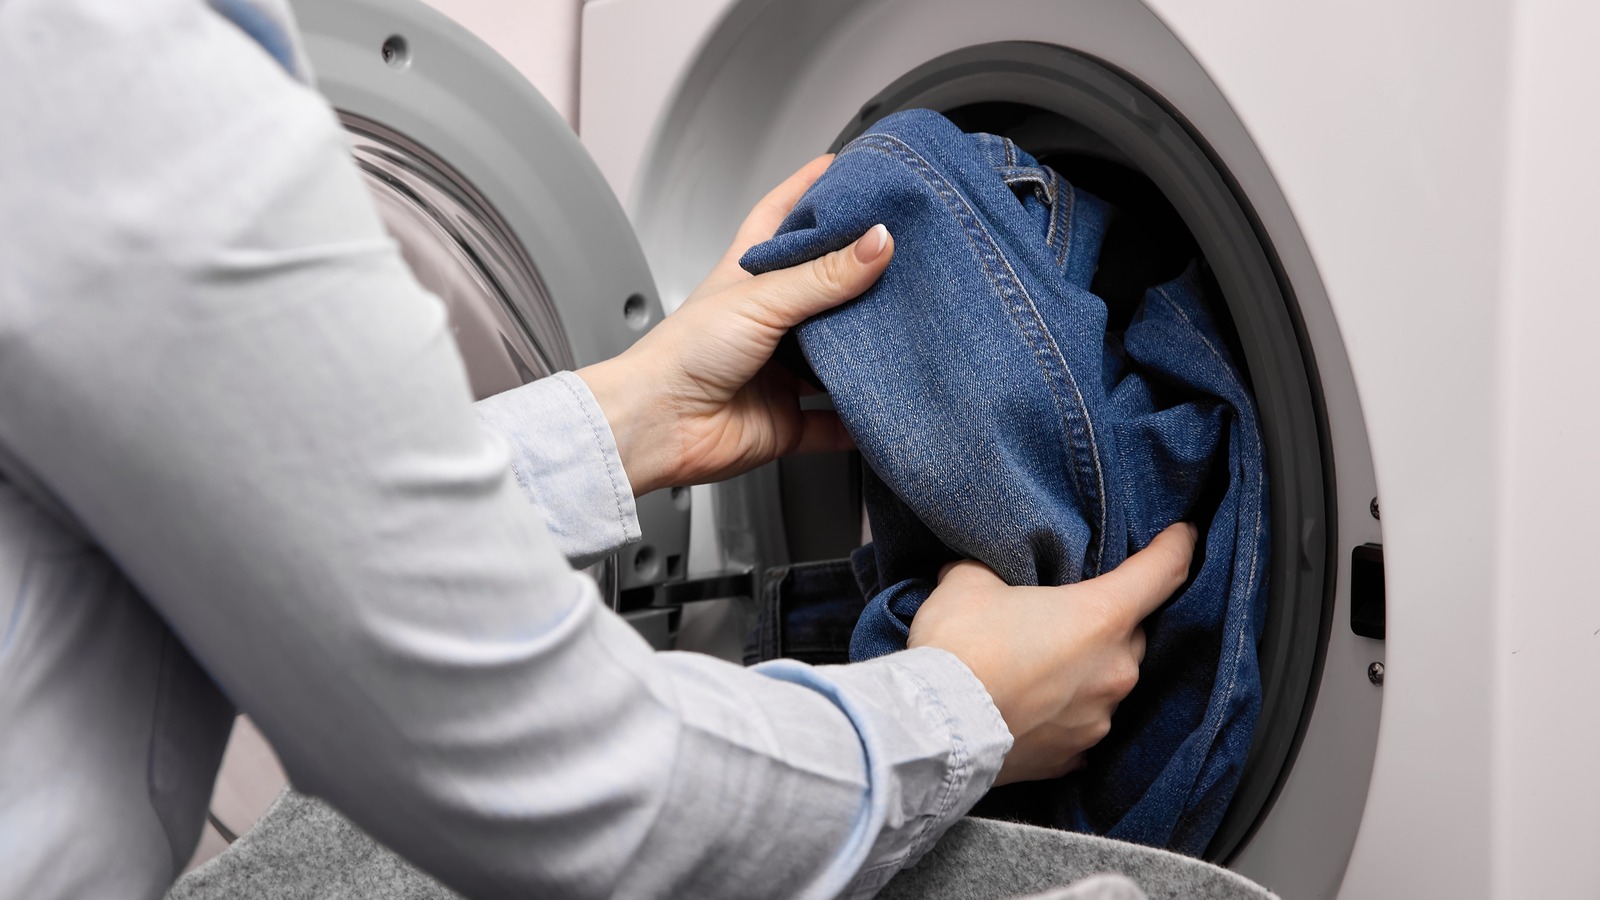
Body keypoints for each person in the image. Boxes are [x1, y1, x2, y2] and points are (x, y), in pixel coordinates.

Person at [0, 2, 1195, 899]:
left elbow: (239, 508)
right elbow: (559, 784)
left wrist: (624, 416)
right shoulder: (111, 85)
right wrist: (964, 707)